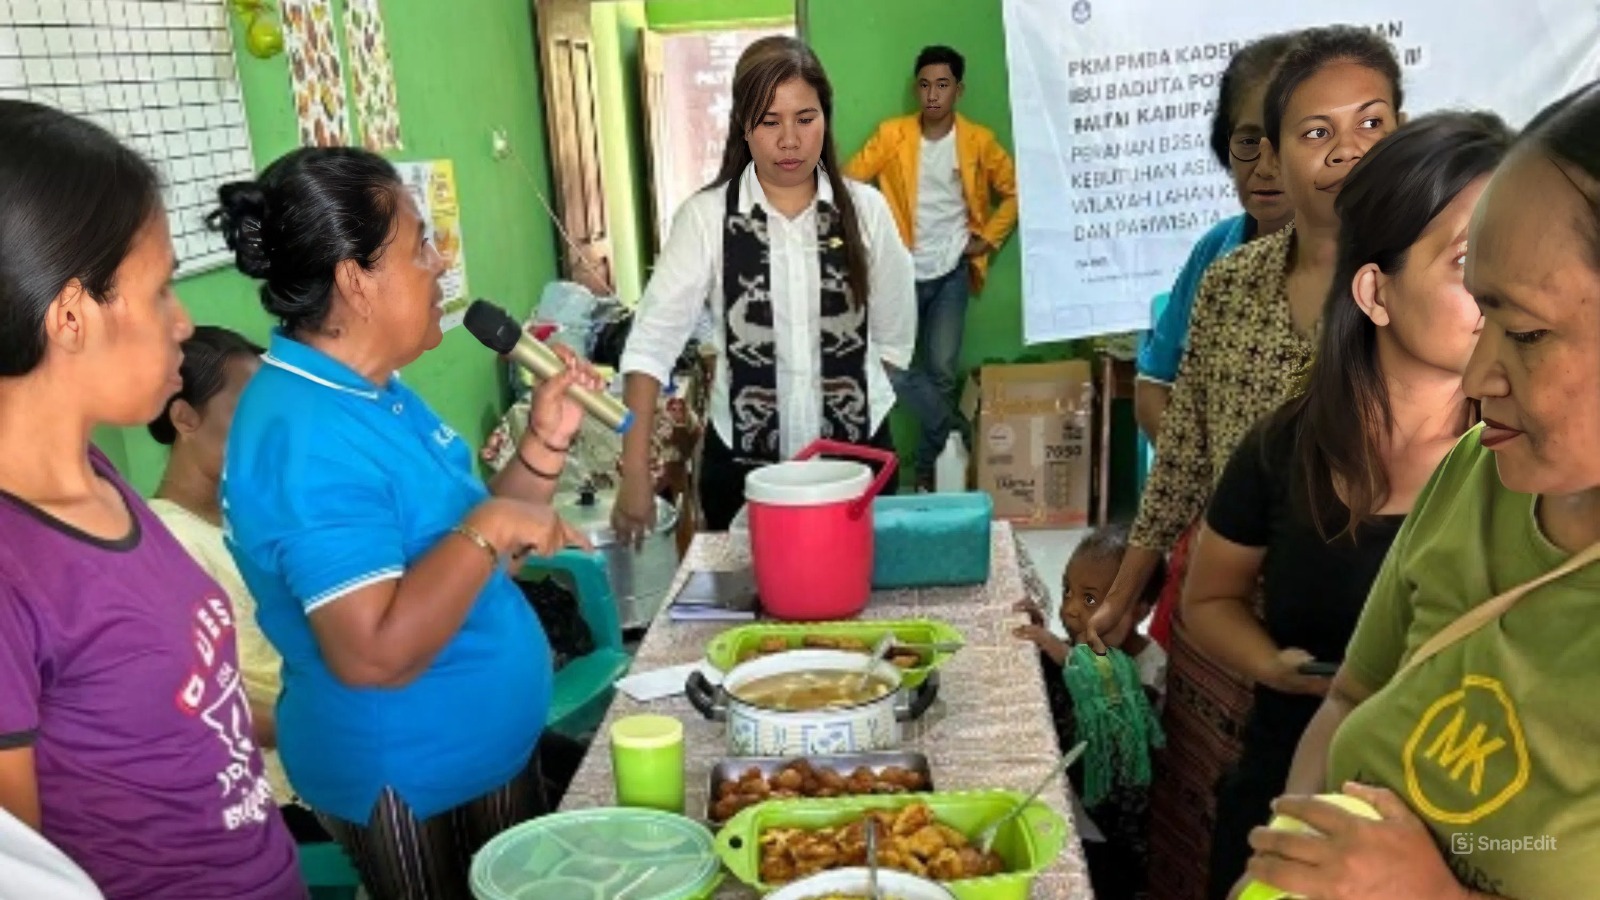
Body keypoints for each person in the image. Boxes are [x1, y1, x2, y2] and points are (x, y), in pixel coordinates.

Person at [1240, 81, 1600, 900]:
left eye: (1529, 333)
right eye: (1482, 314)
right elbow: (1352, 698)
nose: (1480, 376)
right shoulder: (1482, 475)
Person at [214, 147, 599, 900]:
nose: (439, 262)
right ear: (356, 280)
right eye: (418, 245)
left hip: (483, 749)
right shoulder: (304, 431)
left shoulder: (371, 391)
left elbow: (477, 557)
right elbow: (373, 654)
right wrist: (488, 522)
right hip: (411, 776)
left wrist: (545, 443)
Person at [1082, 27, 1407, 900]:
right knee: (1217, 831)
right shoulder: (1232, 282)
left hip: (1369, 626)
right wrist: (1126, 591)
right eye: (1310, 132)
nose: (1343, 152)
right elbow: (1183, 448)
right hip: (1224, 607)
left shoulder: (1426, 298)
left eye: (1372, 124)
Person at [1185, 112, 1512, 900]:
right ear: (1375, 291)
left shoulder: (1534, 469)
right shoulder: (1284, 446)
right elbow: (1210, 596)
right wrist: (1271, 665)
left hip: (1473, 836)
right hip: (1297, 796)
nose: (1503, 295)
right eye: (1471, 262)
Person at [0, 100, 302, 898]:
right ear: (70, 315)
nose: (184, 319)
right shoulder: (10, 569)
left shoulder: (97, 480)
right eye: (161, 288)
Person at [612, 35, 915, 537]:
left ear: (826, 117)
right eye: (770, 121)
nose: (790, 140)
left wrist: (840, 395)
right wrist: (636, 473)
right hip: (743, 472)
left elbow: (892, 341)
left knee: (861, 608)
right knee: (753, 608)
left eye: (805, 117)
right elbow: (649, 350)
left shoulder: (867, 213)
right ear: (743, 127)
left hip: (858, 466)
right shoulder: (706, 219)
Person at [147, 325, 333, 843]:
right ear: (185, 418)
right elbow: (203, 706)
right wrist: (329, 728)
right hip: (283, 788)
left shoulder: (247, 517)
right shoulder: (170, 543)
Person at [844, 45, 1017, 490]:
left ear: (958, 90)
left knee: (941, 371)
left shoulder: (977, 141)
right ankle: (956, 429)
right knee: (890, 365)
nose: (932, 94)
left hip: (951, 273)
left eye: (942, 85)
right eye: (924, 85)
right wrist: (873, 244)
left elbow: (1016, 190)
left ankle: (925, 474)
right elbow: (849, 185)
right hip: (900, 274)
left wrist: (989, 237)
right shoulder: (892, 136)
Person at [1135, 30, 1299, 444]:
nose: (1265, 166)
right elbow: (1154, 385)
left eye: (1286, 140)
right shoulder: (1215, 252)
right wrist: (1204, 481)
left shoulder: (1368, 262)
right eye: (1247, 140)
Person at [1015, 525, 1168, 900]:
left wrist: (1063, 654)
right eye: (1068, 591)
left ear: (1138, 610)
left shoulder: (1150, 667)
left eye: (1089, 600)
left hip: (1109, 829)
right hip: (1068, 797)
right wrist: (1040, 638)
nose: (1069, 609)